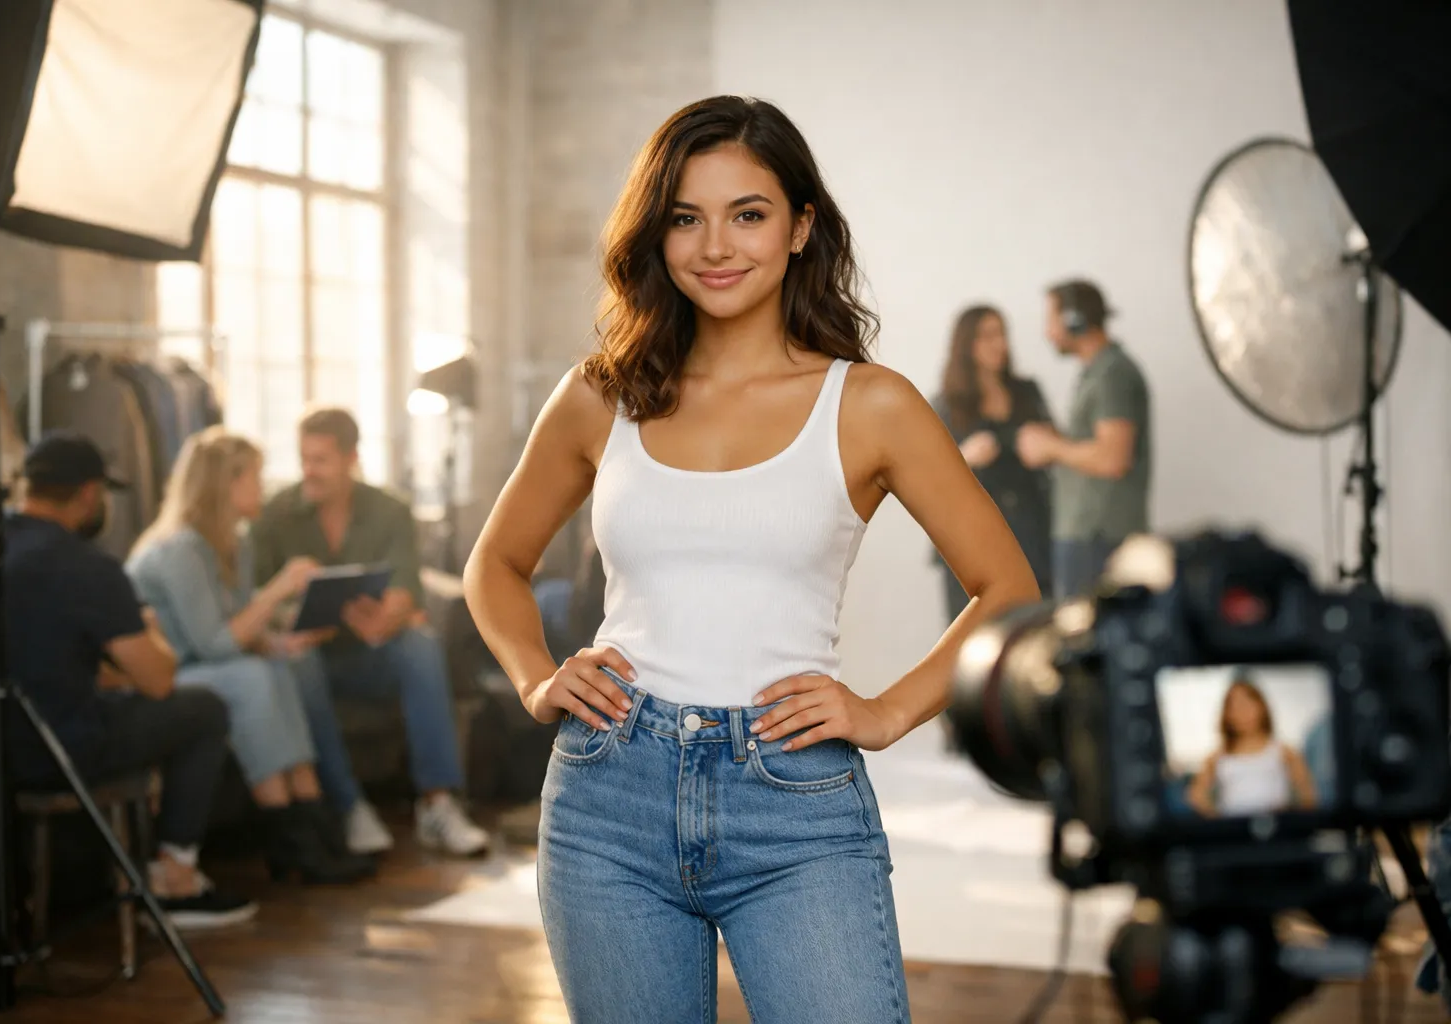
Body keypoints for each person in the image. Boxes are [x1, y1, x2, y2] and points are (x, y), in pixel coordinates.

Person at [463, 95, 1040, 1024]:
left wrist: (886, 712)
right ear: (657, 233)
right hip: (608, 797)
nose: (715, 246)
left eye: (749, 213)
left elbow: (1010, 590)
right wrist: (537, 679)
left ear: (801, 226)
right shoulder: (598, 396)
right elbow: (494, 563)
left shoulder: (871, 405)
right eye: (686, 217)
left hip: (795, 798)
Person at [0, 433, 256, 929]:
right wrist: (149, 631)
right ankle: (175, 880)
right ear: (89, 494)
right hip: (55, 750)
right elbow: (159, 680)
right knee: (203, 708)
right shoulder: (87, 567)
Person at [126, 428, 376, 884]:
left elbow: (241, 631)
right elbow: (214, 644)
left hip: (210, 666)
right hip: (166, 673)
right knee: (253, 679)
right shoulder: (179, 549)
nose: (264, 488)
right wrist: (280, 587)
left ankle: (315, 832)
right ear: (225, 484)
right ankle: (292, 838)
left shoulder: (235, 543)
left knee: (280, 668)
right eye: (255, 478)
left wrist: (281, 643)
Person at [252, 408, 489, 857]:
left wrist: (389, 616)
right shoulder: (276, 514)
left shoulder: (390, 510)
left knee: (419, 646)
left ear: (351, 459)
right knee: (297, 663)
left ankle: (438, 803)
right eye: (304, 458)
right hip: (309, 656)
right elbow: (254, 597)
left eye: (320, 460)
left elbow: (405, 589)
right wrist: (291, 619)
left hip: (367, 654)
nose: (309, 471)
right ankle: (349, 806)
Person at [1015, 279, 1151, 599]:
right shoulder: (1096, 372)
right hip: (1088, 537)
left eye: (1051, 320)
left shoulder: (1112, 374)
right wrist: (1059, 441)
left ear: (1074, 319)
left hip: (1100, 538)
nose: (1047, 332)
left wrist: (1049, 447)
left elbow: (1112, 458)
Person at [932, 305, 1053, 619]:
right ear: (967, 344)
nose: (999, 343)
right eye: (988, 335)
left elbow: (1054, 445)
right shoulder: (947, 405)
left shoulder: (1027, 392)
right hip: (973, 544)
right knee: (974, 644)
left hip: (1032, 535)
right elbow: (924, 480)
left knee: (1036, 634)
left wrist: (1044, 443)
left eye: (1002, 333)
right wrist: (966, 457)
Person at [1185, 677, 1318, 817]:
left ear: (1261, 707)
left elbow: (1308, 793)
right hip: (1235, 834)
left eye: (1247, 704)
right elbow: (1195, 794)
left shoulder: (1284, 751)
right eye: (1234, 706)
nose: (1242, 712)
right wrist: (1219, 822)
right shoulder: (1217, 757)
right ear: (1227, 715)